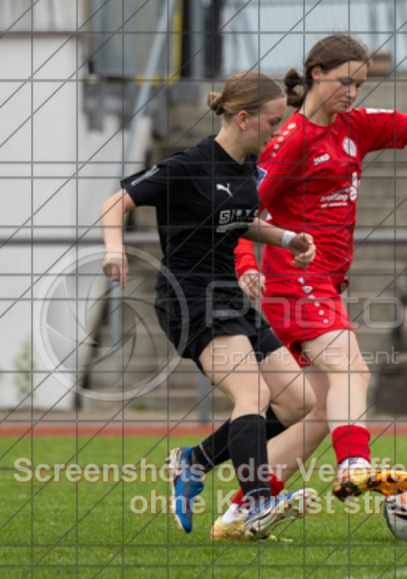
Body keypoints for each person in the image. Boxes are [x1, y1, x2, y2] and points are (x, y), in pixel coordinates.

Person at [233, 33, 407, 501]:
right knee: (353, 371)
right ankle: (354, 466)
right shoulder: (290, 140)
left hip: (324, 284)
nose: (352, 93)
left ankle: (245, 504)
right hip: (295, 279)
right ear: (316, 74)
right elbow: (242, 214)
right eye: (345, 82)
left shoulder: (357, 126)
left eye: (360, 85)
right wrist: (247, 263)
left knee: (320, 410)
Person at [99, 70, 319, 541]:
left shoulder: (247, 168)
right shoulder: (189, 165)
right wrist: (115, 248)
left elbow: (238, 222)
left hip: (227, 294)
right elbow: (115, 203)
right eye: (272, 122)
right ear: (243, 118)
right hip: (189, 297)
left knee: (298, 399)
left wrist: (288, 238)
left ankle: (193, 462)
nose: (277, 130)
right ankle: (257, 501)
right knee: (253, 395)